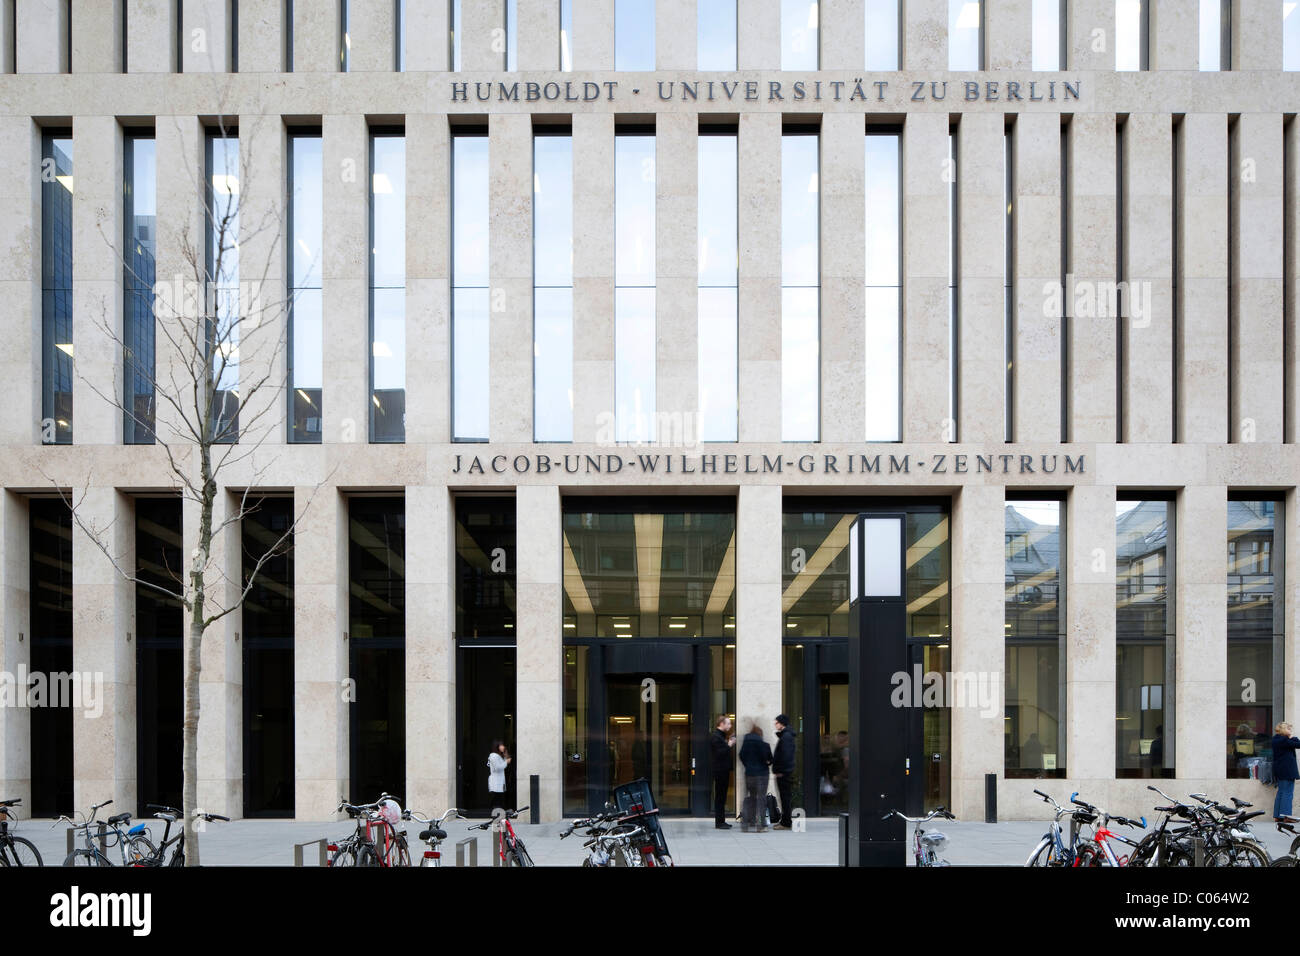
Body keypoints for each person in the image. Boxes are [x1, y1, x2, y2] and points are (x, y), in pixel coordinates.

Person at [738, 719, 772, 833]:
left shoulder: (746, 742)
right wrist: (765, 762)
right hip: (762, 775)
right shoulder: (764, 745)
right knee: (761, 799)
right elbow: (768, 759)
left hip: (749, 774)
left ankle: (745, 824)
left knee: (749, 798)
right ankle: (761, 825)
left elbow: (741, 755)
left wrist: (748, 765)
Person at [709, 715, 736, 830]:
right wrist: (729, 745)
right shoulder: (716, 737)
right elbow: (719, 753)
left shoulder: (720, 736)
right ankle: (719, 822)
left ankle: (721, 821)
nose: (730, 726)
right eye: (728, 723)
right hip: (720, 770)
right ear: (721, 724)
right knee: (720, 796)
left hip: (722, 770)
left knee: (722, 796)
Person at [771, 714, 796, 830]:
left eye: (776, 722)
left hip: (783, 773)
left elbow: (786, 756)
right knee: (784, 796)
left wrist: (781, 770)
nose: (775, 724)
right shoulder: (786, 736)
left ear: (782, 723)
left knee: (785, 797)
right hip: (784, 771)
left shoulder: (786, 737)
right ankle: (785, 821)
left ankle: (786, 822)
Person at [1272, 721, 1300, 822]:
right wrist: (1292, 737)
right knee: (1287, 793)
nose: (1290, 731)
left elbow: (1294, 742)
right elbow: (1298, 744)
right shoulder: (1284, 740)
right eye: (1289, 729)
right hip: (1287, 770)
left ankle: (1278, 815)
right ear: (1284, 730)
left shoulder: (1277, 739)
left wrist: (1291, 737)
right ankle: (1286, 816)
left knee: (1281, 792)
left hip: (1280, 770)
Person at [487, 739, 511, 811]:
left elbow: (505, 760)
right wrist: (506, 762)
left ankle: (499, 816)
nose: (503, 747)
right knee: (496, 801)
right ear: (496, 746)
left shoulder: (498, 756)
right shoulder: (494, 756)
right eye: (501, 745)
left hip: (499, 782)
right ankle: (496, 816)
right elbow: (497, 768)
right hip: (496, 782)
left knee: (499, 800)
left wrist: (505, 753)